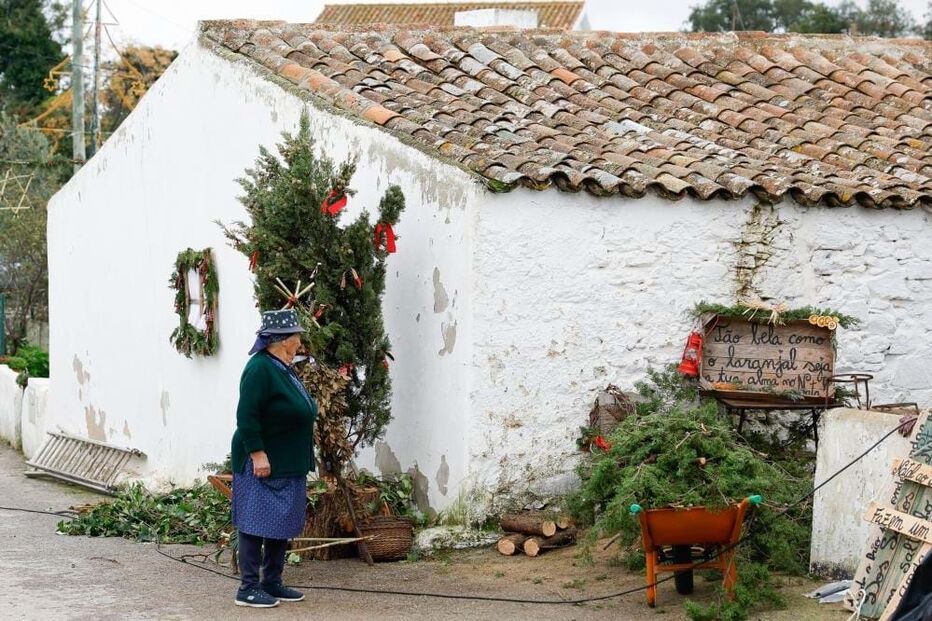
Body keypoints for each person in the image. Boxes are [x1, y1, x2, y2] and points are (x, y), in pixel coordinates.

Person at [230, 309, 318, 608]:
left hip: (288, 462)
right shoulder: (260, 369)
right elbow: (247, 416)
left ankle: (272, 582)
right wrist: (257, 453)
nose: (299, 343)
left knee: (281, 522)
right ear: (282, 341)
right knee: (255, 522)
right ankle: (248, 588)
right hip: (263, 461)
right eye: (296, 338)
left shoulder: (282, 366)